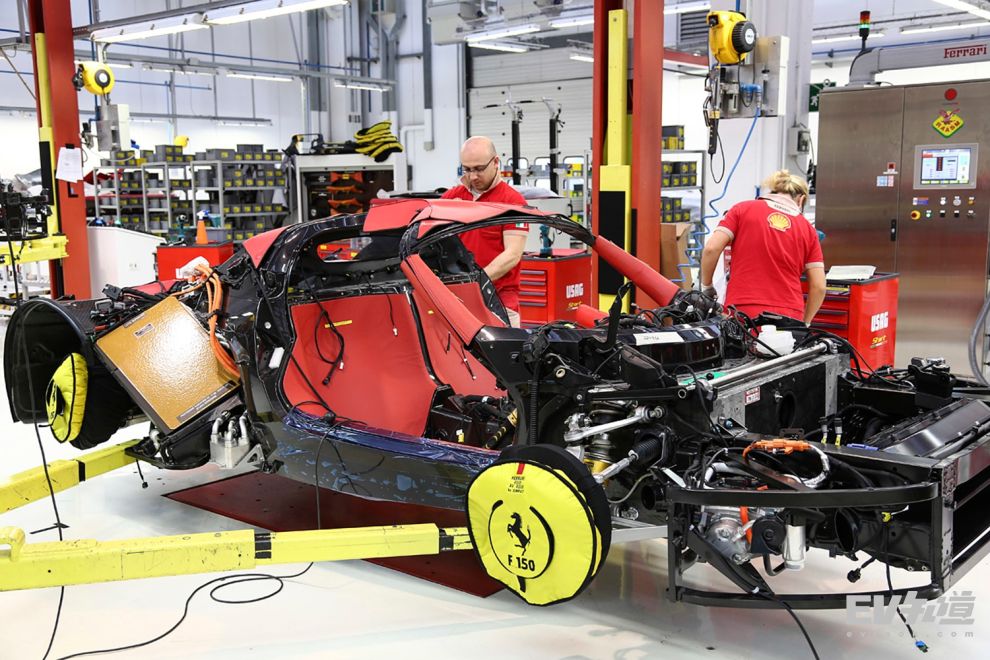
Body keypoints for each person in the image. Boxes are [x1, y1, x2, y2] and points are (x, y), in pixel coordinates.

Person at [700, 169, 826, 325]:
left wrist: (707, 286)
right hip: (790, 314)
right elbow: (819, 286)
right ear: (801, 200)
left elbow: (711, 249)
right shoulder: (808, 230)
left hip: (743, 309)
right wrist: (805, 323)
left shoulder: (742, 209)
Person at [441, 136, 528, 327]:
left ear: (495, 162)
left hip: (499, 301)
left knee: (505, 346)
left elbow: (512, 254)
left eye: (479, 169)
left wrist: (475, 282)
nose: (473, 177)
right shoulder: (452, 198)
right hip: (458, 300)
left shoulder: (513, 202)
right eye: (467, 169)